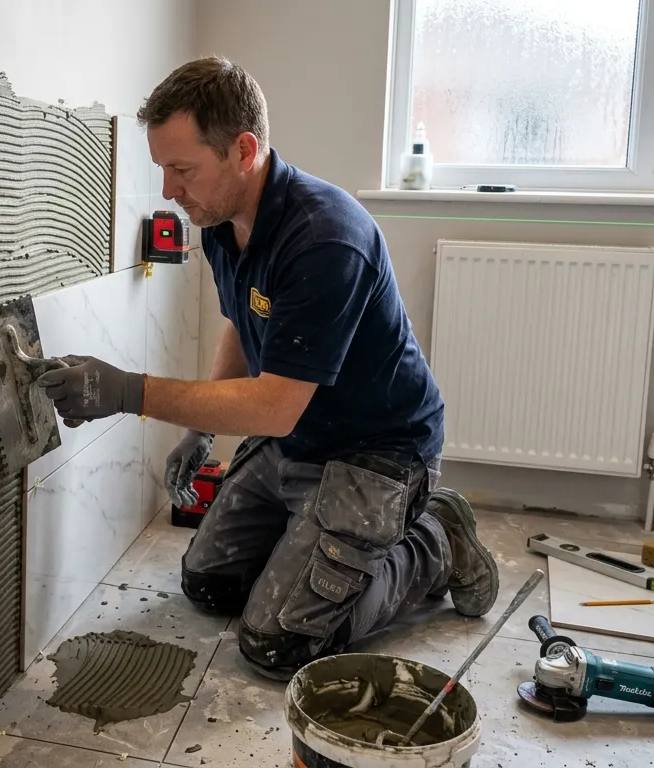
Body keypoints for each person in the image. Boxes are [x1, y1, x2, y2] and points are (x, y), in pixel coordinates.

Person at [35, 56, 499, 680]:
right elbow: (242, 319)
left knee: (278, 643)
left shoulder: (325, 239)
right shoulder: (221, 221)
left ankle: (437, 540)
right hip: (298, 437)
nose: (169, 191)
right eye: (163, 170)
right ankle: (318, 538)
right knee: (209, 585)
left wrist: (126, 391)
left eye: (182, 170)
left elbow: (274, 406)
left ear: (244, 151)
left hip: (376, 451)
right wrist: (200, 429)